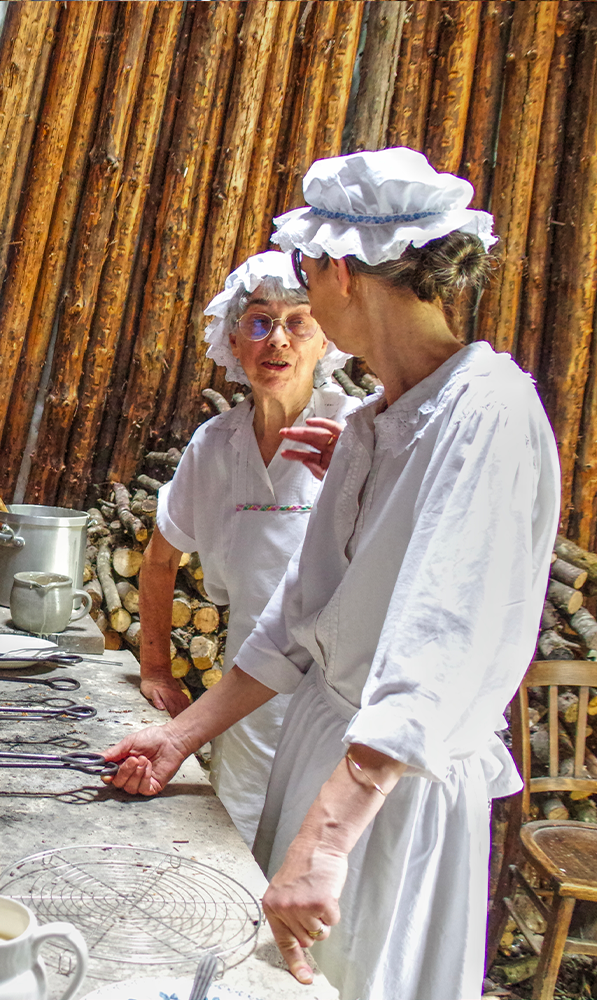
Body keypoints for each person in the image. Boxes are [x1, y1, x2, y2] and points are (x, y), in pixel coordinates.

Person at [104, 147, 560, 1000]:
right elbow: (292, 623)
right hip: (319, 754)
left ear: (342, 273)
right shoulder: (372, 423)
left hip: (384, 790)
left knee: (356, 983)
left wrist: (324, 843)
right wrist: (178, 737)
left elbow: (441, 643)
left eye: (307, 280)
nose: (300, 302)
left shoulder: (488, 411)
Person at [139, 250, 360, 845]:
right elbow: (161, 560)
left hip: (336, 708)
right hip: (244, 704)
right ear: (234, 343)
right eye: (259, 322)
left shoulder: (358, 434)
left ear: (325, 341)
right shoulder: (217, 446)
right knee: (237, 855)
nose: (277, 341)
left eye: (298, 322)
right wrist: (156, 666)